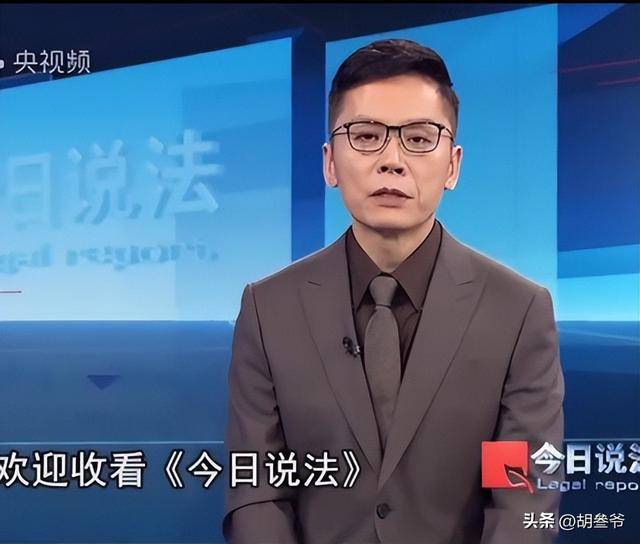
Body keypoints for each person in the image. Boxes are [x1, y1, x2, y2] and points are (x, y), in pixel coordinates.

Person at [223, 38, 564, 544]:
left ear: (453, 165)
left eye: (420, 138)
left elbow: (523, 498)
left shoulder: (517, 311)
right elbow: (257, 490)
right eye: (366, 136)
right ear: (330, 162)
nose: (392, 161)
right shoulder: (268, 309)